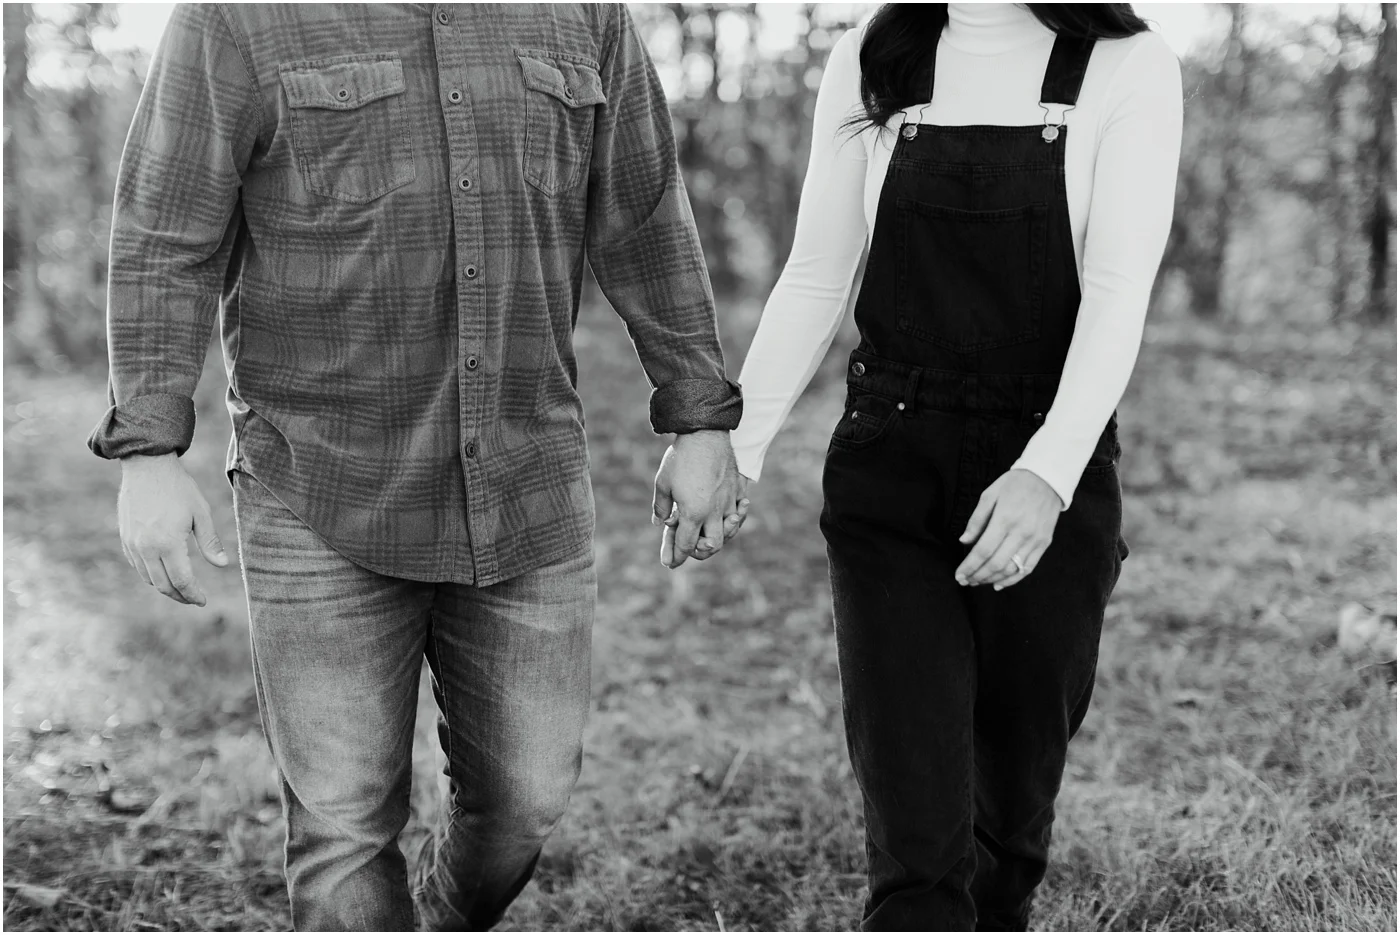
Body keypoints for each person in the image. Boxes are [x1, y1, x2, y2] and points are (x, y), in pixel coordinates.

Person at [88, 4, 747, 930]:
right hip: (319, 486)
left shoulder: (586, 13)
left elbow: (647, 220)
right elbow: (165, 233)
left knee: (524, 802)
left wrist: (701, 420)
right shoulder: (236, 15)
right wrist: (151, 451)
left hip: (525, 480)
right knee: (342, 831)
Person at [729, 3, 1182, 929]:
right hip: (890, 464)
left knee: (1006, 838)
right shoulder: (874, 53)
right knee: (918, 857)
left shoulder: (1126, 65)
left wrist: (1047, 473)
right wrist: (736, 446)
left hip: (1046, 466)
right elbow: (817, 272)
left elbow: (1118, 290)